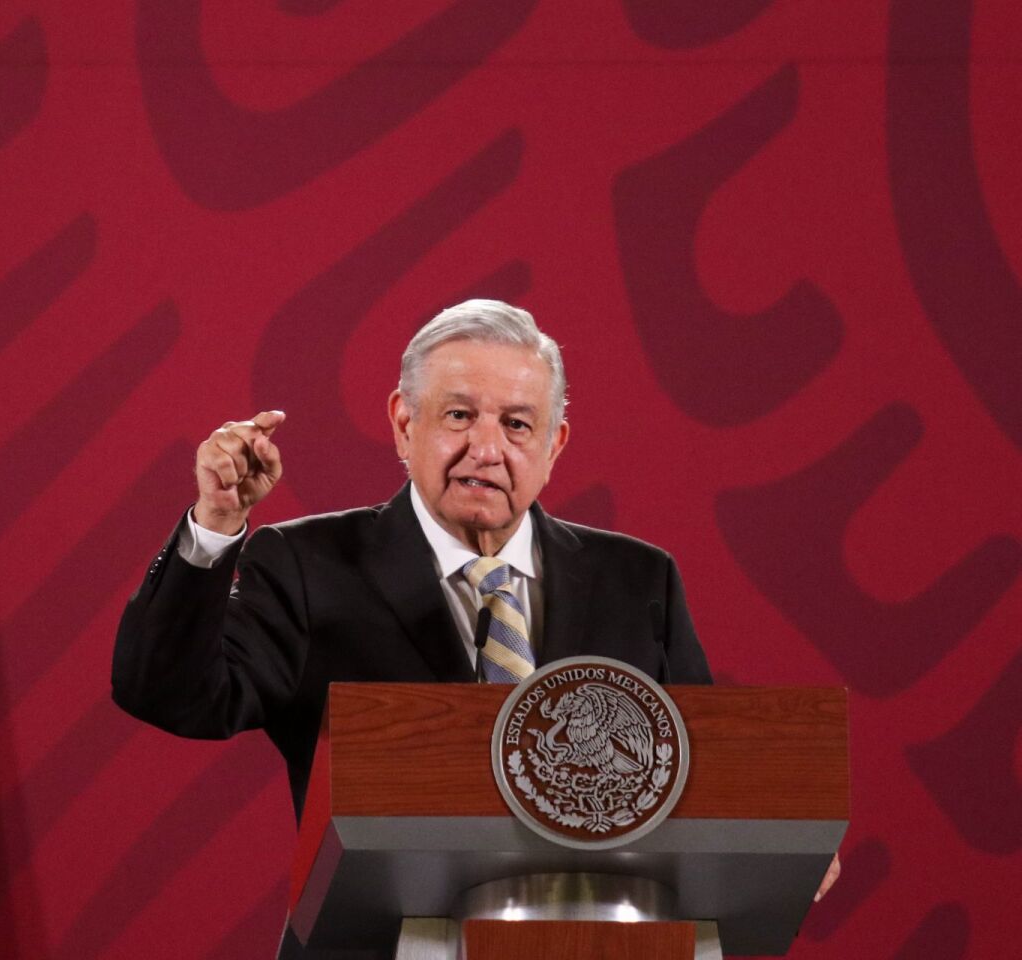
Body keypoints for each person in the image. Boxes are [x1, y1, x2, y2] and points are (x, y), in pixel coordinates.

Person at [112, 300, 833, 956]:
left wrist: (772, 834)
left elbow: (695, 776)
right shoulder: (308, 565)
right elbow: (171, 693)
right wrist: (215, 526)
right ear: (403, 421)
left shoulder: (638, 580)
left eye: (517, 424)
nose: (487, 449)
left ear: (554, 445)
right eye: (459, 416)